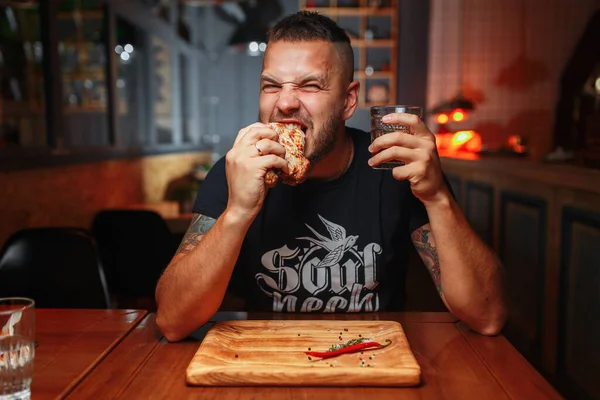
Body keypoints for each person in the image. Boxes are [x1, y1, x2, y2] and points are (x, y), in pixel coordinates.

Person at [155, 11, 507, 342]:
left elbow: (487, 315)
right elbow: (172, 321)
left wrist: (437, 196)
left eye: (309, 85)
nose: (286, 103)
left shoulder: (392, 167)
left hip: (374, 360)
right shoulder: (236, 169)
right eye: (272, 85)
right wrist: (237, 212)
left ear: (348, 101)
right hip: (267, 360)